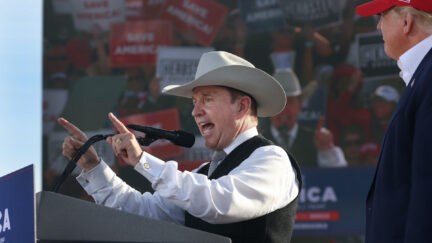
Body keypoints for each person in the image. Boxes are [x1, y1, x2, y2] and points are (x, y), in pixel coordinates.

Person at [59, 51, 301, 242]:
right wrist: (94, 168)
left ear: (241, 106)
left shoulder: (272, 160)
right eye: (195, 102)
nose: (195, 111)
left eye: (207, 99)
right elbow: (143, 213)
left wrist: (143, 160)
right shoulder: (205, 174)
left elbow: (219, 202)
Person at [356, 0, 432, 242]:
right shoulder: (422, 77)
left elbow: (427, 186)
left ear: (406, 22)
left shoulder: (429, 79)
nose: (378, 26)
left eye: (381, 16)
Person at [261, 68, 347, 168]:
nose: (283, 109)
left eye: (289, 102)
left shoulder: (315, 141)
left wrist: (326, 150)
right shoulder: (256, 143)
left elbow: (339, 175)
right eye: (278, 103)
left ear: (300, 105)